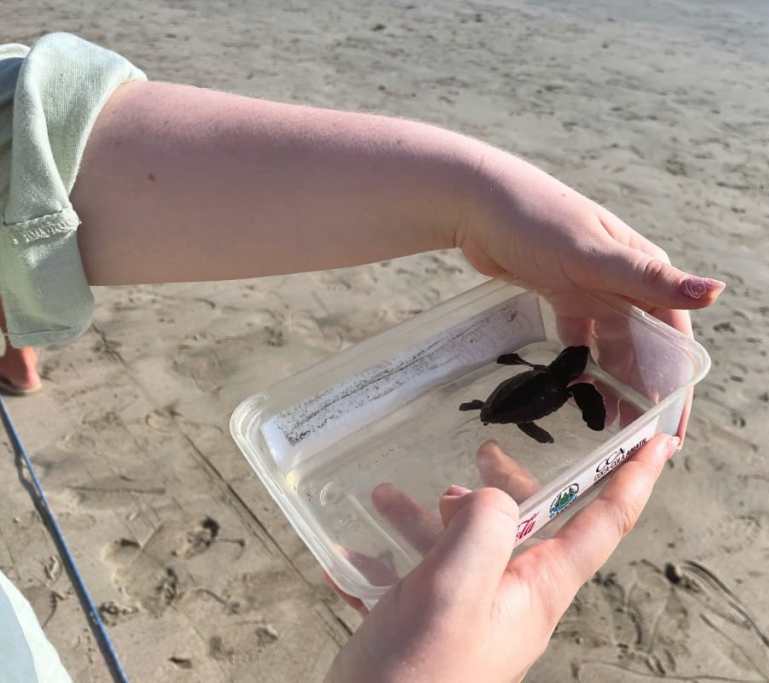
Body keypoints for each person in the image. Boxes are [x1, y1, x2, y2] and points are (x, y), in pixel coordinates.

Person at [0, 33, 724, 682]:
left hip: (514, 394)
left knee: (516, 397)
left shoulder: (544, 377)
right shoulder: (557, 384)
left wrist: (475, 196)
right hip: (518, 399)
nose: (575, 377)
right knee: (526, 401)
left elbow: (31, 153)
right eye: (577, 379)